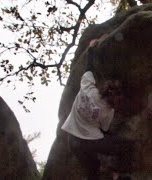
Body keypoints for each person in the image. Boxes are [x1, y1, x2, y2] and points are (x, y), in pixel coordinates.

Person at [61, 36, 133, 180]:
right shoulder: (108, 111)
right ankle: (116, 174)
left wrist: (91, 49)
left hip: (73, 139)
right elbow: (105, 130)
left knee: (92, 172)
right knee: (123, 146)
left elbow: (89, 68)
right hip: (91, 142)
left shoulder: (88, 88)